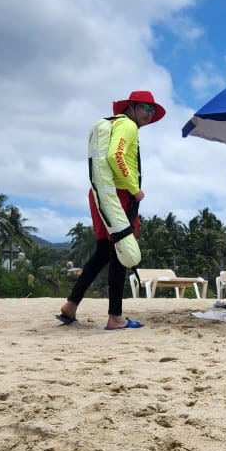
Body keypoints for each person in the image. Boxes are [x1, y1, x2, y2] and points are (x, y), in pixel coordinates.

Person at [57, 90, 165, 330]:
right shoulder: (128, 126)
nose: (150, 114)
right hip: (119, 194)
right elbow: (116, 156)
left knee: (104, 252)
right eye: (146, 108)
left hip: (99, 193)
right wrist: (134, 189)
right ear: (131, 107)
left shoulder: (115, 123)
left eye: (153, 110)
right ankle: (115, 316)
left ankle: (71, 305)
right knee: (121, 251)